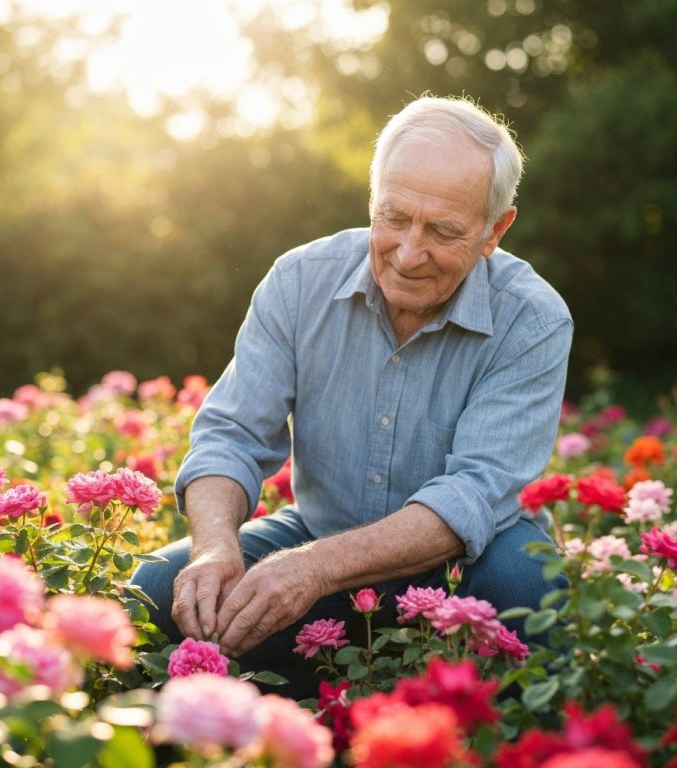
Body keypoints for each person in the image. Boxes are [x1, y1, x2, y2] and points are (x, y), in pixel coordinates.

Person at [133, 95, 573, 698]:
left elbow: (471, 495)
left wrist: (312, 569)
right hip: (319, 529)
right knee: (159, 589)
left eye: (443, 231)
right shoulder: (298, 282)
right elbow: (230, 436)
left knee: (529, 593)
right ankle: (296, 715)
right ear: (373, 200)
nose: (409, 252)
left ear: (496, 230)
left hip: (469, 556)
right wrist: (215, 548)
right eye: (393, 217)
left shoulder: (533, 319)